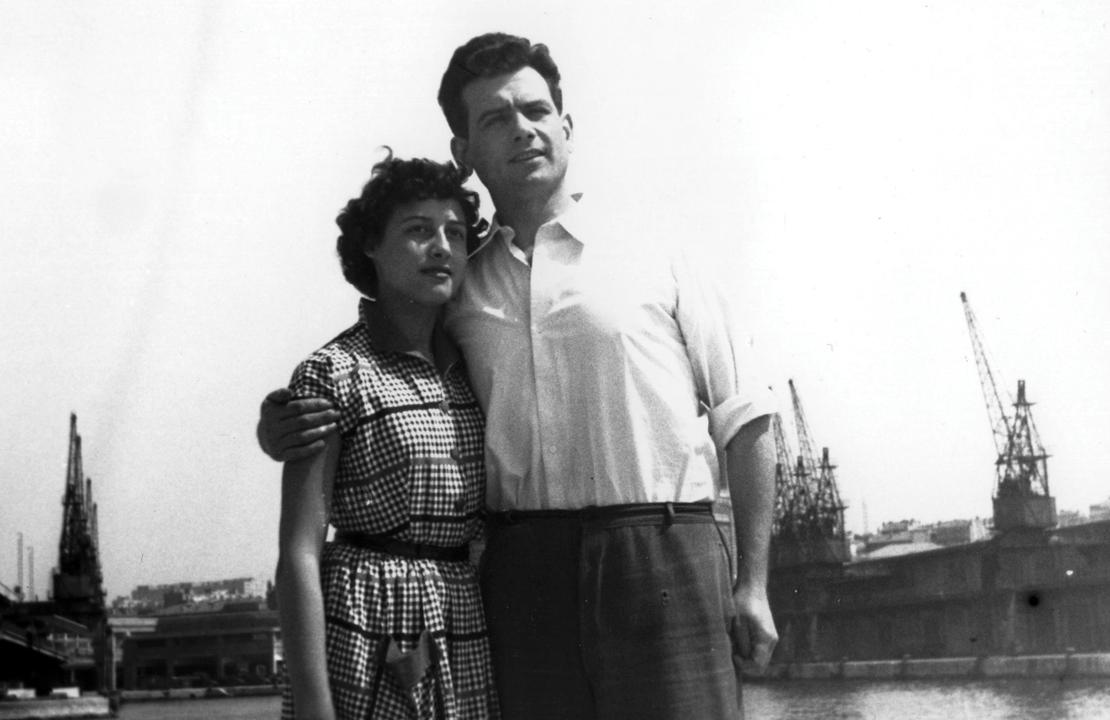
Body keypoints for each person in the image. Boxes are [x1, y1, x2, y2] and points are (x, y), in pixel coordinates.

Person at [263, 33, 778, 720]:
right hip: (523, 576)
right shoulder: (460, 282)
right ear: (464, 151)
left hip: (664, 558)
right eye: (495, 119)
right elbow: (384, 368)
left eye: (536, 111)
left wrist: (754, 584)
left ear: (567, 125)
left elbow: (745, 417)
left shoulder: (659, 249)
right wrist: (280, 419)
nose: (522, 130)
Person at [275, 151, 498, 720]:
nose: (441, 247)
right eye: (418, 231)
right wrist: (313, 706)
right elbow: (300, 551)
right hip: (364, 624)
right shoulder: (332, 372)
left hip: (462, 622)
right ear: (371, 245)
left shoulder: (474, 365)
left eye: (454, 233)